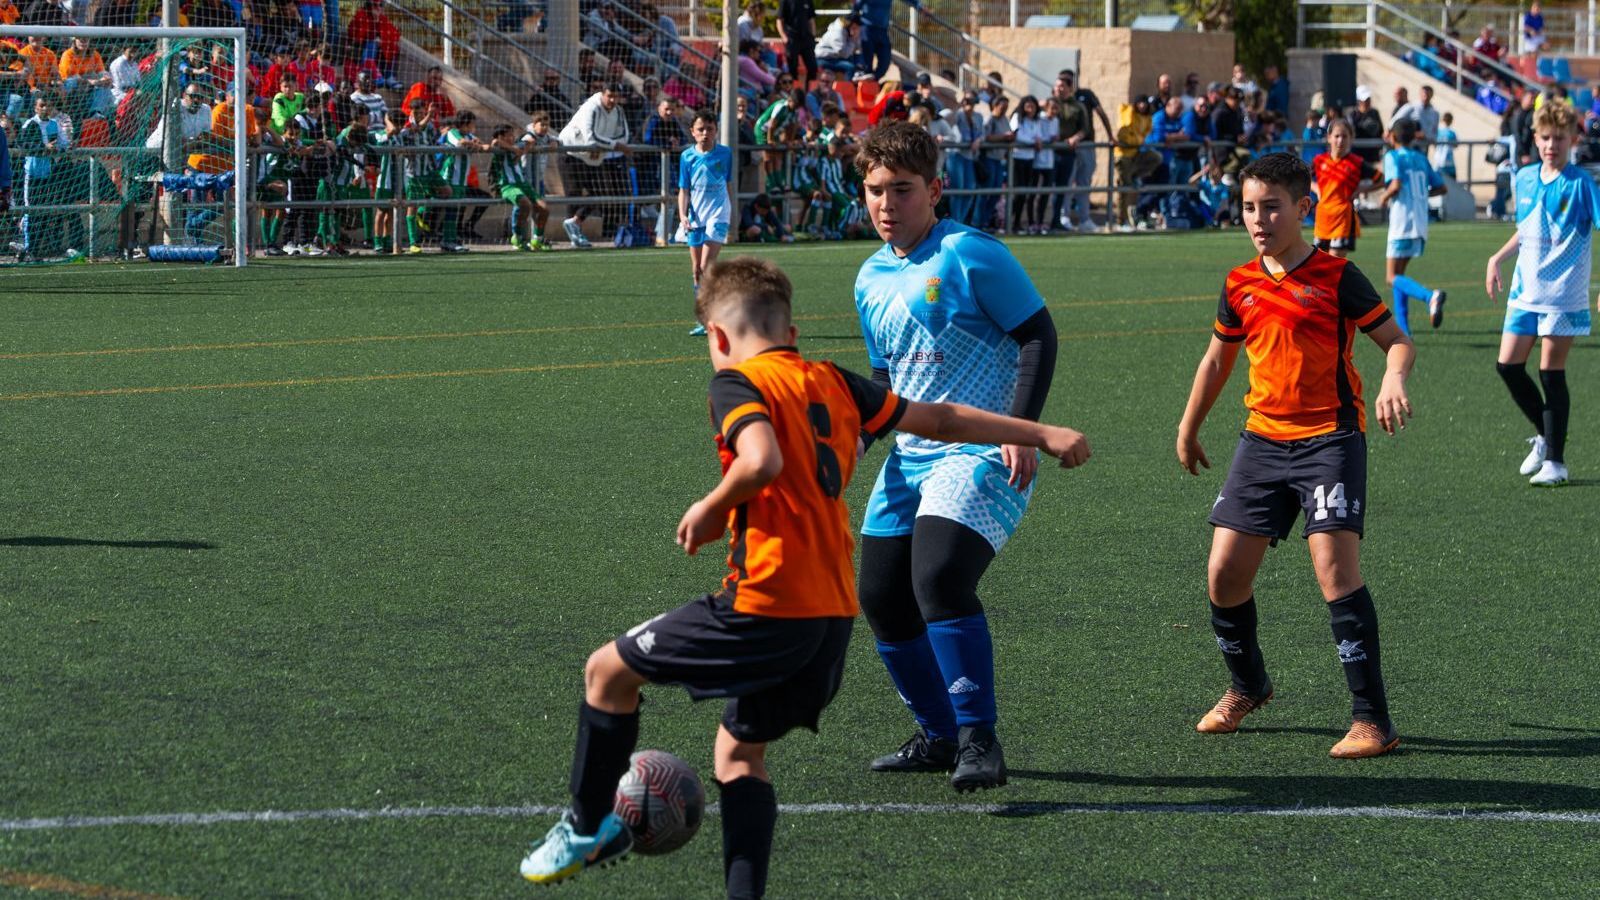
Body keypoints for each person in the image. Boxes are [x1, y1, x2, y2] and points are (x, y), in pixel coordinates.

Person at [515, 254, 1088, 894]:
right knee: (738, 755)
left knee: (605, 672)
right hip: (830, 623)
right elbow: (944, 418)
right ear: (790, 333)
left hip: (765, 605)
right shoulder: (834, 381)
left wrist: (713, 506)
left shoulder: (737, 383)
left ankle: (584, 825)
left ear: (718, 337)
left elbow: (760, 459)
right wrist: (1041, 431)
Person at [1176, 151, 1415, 760]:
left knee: (1335, 571)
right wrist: (1189, 426)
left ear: (1303, 207)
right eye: (1249, 208)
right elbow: (1217, 359)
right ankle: (1248, 686)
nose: (1259, 219)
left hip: (1330, 439)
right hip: (1261, 441)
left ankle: (1373, 720)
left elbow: (1396, 342)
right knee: (1224, 574)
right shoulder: (1240, 282)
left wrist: (1393, 379)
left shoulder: (1338, 276)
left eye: (1272, 207)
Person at [852, 121, 1065, 791]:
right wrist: (856, 438)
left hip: (980, 450)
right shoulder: (869, 276)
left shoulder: (969, 252)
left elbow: (1038, 335)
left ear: (935, 189)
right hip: (910, 456)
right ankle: (939, 736)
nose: (887, 204)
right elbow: (885, 379)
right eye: (876, 190)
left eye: (902, 189)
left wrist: (1019, 429)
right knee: (881, 597)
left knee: (939, 578)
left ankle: (979, 740)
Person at [1484, 101, 1594, 487]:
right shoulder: (1526, 177)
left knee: (1550, 372)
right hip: (1524, 291)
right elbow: (1528, 228)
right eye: (1545, 138)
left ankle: (1557, 464)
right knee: (1508, 367)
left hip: (1563, 294)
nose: (1551, 145)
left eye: (1559, 138)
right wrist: (1497, 257)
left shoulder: (1581, 184)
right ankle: (1545, 436)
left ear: (1573, 140)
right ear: (1535, 137)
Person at [1379, 117, 1449, 334]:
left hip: (1402, 221)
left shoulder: (1392, 156)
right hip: (1420, 222)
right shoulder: (1421, 158)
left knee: (1391, 277)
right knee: (1399, 276)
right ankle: (1404, 330)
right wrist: (1422, 196)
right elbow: (1442, 188)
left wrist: (1383, 197)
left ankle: (1430, 296)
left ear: (1393, 136)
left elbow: (1396, 185)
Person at [679, 109, 733, 333]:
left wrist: (732, 211)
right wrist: (682, 215)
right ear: (692, 131)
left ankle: (713, 315)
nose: (705, 133)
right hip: (696, 217)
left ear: (716, 131)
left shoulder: (725, 153)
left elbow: (727, 184)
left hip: (718, 214)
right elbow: (684, 189)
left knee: (705, 266)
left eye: (709, 129)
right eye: (700, 129)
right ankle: (704, 318)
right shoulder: (687, 157)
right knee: (696, 270)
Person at [558, 83, 631, 247]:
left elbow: (624, 136)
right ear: (602, 94)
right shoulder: (591, 107)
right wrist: (611, 145)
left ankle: (575, 222)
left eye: (616, 97)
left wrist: (602, 146)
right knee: (574, 195)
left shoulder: (618, 111)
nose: (612, 100)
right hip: (571, 152)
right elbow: (590, 138)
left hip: (593, 157)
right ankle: (575, 238)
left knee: (601, 193)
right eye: (609, 96)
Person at [1312, 119, 1378, 258]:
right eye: (1337, 136)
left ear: (1351, 138)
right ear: (1329, 138)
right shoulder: (1319, 161)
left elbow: (1381, 180)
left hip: (1343, 219)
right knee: (1319, 263)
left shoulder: (1357, 163)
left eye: (1345, 136)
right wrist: (1316, 188)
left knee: (1334, 263)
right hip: (1323, 219)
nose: (1340, 140)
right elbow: (1302, 178)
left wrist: (1361, 190)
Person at [1058, 69, 1112, 231]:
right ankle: (1064, 216)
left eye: (1067, 80)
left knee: (1084, 182)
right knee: (1068, 183)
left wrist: (1110, 135)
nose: (1063, 85)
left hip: (1086, 144)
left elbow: (1100, 113)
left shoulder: (1085, 95)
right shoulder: (1057, 100)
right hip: (1068, 148)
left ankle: (1084, 219)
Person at [777, 0, 817, 86]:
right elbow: (779, 20)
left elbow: (811, 19)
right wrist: (784, 36)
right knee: (792, 67)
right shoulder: (785, 1)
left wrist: (813, 36)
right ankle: (793, 90)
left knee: (812, 67)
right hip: (792, 38)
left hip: (806, 38)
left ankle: (808, 90)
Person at [1432, 111, 1457, 179]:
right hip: (1449, 161)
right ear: (1451, 121)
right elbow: (1455, 145)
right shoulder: (1452, 133)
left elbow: (1434, 144)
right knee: (1452, 180)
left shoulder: (1438, 132)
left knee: (1438, 180)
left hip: (1438, 160)